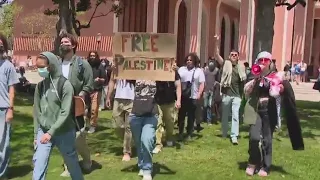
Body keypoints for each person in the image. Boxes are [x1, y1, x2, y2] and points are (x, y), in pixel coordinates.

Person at [243, 51, 304, 177]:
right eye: (261, 60)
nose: (263, 63)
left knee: (267, 139)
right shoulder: (253, 75)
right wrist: (256, 79)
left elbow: (283, 91)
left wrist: (280, 88)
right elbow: (246, 92)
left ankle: (265, 166)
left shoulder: (276, 76)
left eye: (266, 60)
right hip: (255, 110)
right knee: (254, 137)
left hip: (269, 111)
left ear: (270, 63)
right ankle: (253, 161)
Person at [32, 52, 84, 180]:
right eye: (37, 67)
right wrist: (36, 134)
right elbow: (37, 111)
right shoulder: (40, 86)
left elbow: (65, 112)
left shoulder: (65, 85)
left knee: (72, 165)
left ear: (51, 66)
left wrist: (51, 132)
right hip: (43, 132)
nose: (40, 70)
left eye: (42, 67)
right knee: (39, 163)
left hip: (64, 131)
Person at [59, 33, 94, 177]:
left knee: (78, 137)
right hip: (60, 106)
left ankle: (87, 159)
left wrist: (82, 95)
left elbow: (89, 84)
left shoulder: (82, 64)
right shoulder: (56, 63)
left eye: (66, 42)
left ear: (73, 45)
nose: (63, 44)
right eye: (61, 42)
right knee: (64, 137)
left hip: (76, 105)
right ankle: (69, 165)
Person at [214, 35, 246, 145]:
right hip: (226, 94)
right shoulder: (225, 64)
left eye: (235, 55)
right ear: (229, 56)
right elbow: (217, 55)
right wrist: (216, 42)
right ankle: (224, 132)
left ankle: (234, 136)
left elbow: (244, 83)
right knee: (225, 115)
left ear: (238, 57)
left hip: (237, 95)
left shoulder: (241, 68)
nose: (233, 56)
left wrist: (243, 95)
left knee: (235, 114)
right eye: (232, 55)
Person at [129, 80, 158, 180]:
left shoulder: (158, 74)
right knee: (139, 143)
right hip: (135, 115)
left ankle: (147, 169)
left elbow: (169, 77)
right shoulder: (135, 72)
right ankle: (141, 164)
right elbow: (122, 72)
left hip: (151, 115)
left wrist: (173, 69)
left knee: (147, 140)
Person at [0, 33, 19, 180]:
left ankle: (2, 173)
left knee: (3, 144)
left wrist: (10, 110)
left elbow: (12, 90)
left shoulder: (8, 66)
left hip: (3, 109)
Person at [177, 53, 205, 141]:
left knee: (191, 116)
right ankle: (180, 132)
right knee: (181, 115)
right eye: (187, 60)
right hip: (183, 96)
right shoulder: (181, 70)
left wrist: (199, 94)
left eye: (191, 60)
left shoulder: (198, 71)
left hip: (193, 96)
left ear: (194, 61)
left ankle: (189, 133)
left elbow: (202, 83)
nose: (189, 62)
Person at [153, 70, 182, 153]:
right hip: (157, 101)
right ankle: (158, 144)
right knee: (158, 123)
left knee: (170, 123)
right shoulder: (155, 69)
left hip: (170, 101)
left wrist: (178, 100)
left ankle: (169, 137)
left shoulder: (174, 71)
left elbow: (178, 86)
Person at [106, 78, 135, 162]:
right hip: (118, 99)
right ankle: (128, 142)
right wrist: (108, 96)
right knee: (117, 125)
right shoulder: (116, 66)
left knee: (128, 127)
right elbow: (112, 80)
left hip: (132, 99)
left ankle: (127, 152)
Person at [86, 51, 107, 133]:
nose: (92, 57)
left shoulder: (100, 66)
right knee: (85, 110)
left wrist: (99, 79)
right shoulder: (86, 65)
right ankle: (86, 124)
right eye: (91, 56)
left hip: (96, 90)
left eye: (94, 56)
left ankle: (93, 125)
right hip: (87, 90)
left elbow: (104, 79)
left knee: (94, 110)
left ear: (96, 56)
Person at [203, 60, 219, 125]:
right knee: (205, 105)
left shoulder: (216, 71)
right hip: (206, 90)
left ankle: (209, 120)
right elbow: (202, 79)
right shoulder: (205, 70)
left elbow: (218, 79)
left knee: (210, 105)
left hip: (212, 90)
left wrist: (216, 83)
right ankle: (203, 118)